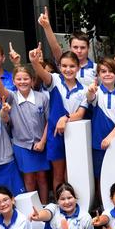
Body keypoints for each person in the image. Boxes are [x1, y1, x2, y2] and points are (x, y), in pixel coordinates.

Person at [30, 45, 88, 191]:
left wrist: (66, 118)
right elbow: (42, 73)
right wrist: (35, 62)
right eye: (64, 66)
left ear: (78, 67)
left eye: (72, 66)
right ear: (59, 67)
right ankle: (59, 205)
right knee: (58, 175)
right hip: (55, 135)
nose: (68, 69)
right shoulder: (55, 80)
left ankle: (76, 205)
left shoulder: (84, 90)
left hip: (75, 135)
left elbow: (80, 114)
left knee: (74, 174)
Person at [0, 65, 50, 204]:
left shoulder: (42, 97)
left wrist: (43, 141)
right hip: (22, 145)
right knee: (29, 179)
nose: (22, 82)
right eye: (19, 79)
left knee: (42, 177)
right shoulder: (11, 97)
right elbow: (1, 90)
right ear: (13, 81)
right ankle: (32, 208)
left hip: (40, 145)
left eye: (26, 78)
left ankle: (44, 206)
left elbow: (49, 121)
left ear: (32, 80)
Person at [87, 58, 115, 192]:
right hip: (98, 143)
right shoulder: (96, 92)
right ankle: (101, 205)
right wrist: (91, 91)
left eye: (111, 71)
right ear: (98, 75)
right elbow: (89, 97)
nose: (107, 74)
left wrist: (110, 138)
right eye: (103, 71)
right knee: (99, 176)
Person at [38, 6, 96, 88]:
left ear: (88, 47)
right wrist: (47, 27)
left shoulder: (97, 68)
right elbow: (55, 47)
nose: (79, 51)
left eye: (82, 47)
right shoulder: (64, 62)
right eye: (75, 47)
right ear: (70, 47)